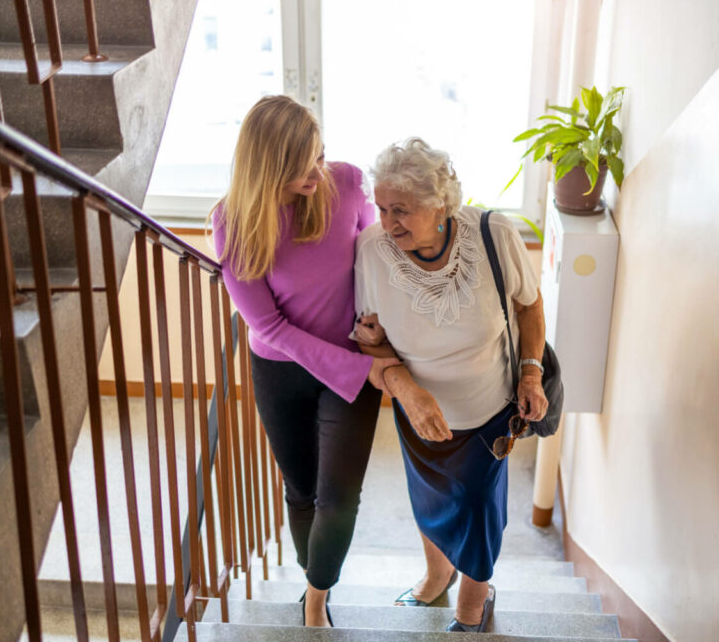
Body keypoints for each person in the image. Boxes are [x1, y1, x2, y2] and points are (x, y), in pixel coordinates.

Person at [210, 95, 399, 628]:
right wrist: (360, 370)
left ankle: (316, 598)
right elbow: (268, 326)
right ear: (269, 166)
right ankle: (314, 576)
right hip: (282, 370)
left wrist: (376, 326)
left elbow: (375, 256)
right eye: (303, 166)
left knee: (338, 498)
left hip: (351, 362)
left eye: (320, 155)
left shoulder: (346, 182)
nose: (319, 171)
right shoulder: (234, 223)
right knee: (301, 492)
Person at [352, 138, 548, 633]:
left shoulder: (492, 234)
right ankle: (437, 573)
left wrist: (530, 371)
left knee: (480, 508)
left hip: (490, 412)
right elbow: (370, 339)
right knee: (431, 500)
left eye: (402, 209)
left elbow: (528, 305)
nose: (388, 221)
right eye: (381, 207)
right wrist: (402, 385)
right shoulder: (372, 251)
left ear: (440, 205)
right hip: (418, 412)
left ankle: (472, 605)